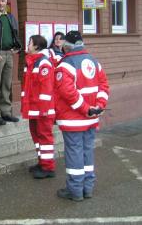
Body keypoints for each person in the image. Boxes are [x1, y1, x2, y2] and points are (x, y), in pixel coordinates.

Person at [54, 31, 109, 201]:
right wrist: (98, 107)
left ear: (67, 45)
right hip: (91, 118)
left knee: (74, 154)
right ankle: (88, 188)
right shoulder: (93, 61)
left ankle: (75, 191)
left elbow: (68, 93)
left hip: (73, 119)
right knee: (87, 152)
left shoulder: (66, 64)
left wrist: (86, 109)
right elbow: (104, 86)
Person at [21, 35, 56, 179]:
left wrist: (44, 110)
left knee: (44, 137)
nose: (27, 45)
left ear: (36, 46)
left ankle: (48, 167)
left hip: (42, 110)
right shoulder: (32, 62)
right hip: (34, 109)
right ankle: (42, 162)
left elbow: (46, 89)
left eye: (29, 43)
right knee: (36, 135)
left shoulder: (43, 64)